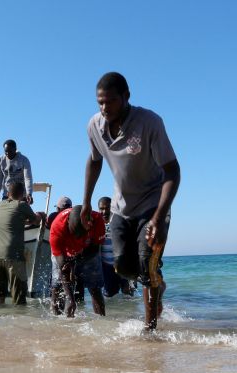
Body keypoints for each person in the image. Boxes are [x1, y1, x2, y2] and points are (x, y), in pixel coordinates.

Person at [81, 72, 181, 330]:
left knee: (146, 267)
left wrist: (159, 217)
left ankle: (150, 330)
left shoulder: (149, 122)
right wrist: (87, 201)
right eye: (100, 103)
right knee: (123, 268)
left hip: (152, 207)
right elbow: (94, 160)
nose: (104, 108)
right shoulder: (94, 125)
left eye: (110, 102)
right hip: (121, 209)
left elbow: (172, 171)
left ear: (126, 97)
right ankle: (158, 282)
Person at [0, 182, 45, 306]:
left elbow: (12, 221)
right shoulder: (22, 205)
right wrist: (40, 215)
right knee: (19, 300)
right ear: (23, 194)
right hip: (13, 256)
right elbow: (35, 221)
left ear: (8, 193)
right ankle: (20, 323)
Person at [50, 205, 106, 317]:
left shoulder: (97, 220)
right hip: (64, 252)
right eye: (74, 233)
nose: (77, 238)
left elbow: (95, 249)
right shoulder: (56, 228)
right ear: (67, 222)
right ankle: (56, 321)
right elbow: (62, 267)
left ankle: (101, 322)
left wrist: (75, 260)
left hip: (88, 250)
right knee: (57, 285)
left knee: (94, 287)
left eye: (81, 234)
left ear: (89, 224)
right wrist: (71, 299)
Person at [98, 196, 134, 297]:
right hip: (106, 266)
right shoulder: (96, 224)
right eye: (101, 208)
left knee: (128, 292)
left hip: (123, 263)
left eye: (107, 208)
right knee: (109, 294)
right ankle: (113, 313)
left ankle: (132, 313)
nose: (104, 211)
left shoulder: (120, 222)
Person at [0, 140, 34, 205]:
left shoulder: (24, 160)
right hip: (7, 195)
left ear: (15, 149)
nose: (8, 153)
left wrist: (29, 194)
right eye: (6, 151)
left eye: (10, 151)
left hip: (21, 195)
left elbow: (28, 178)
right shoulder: (0, 160)